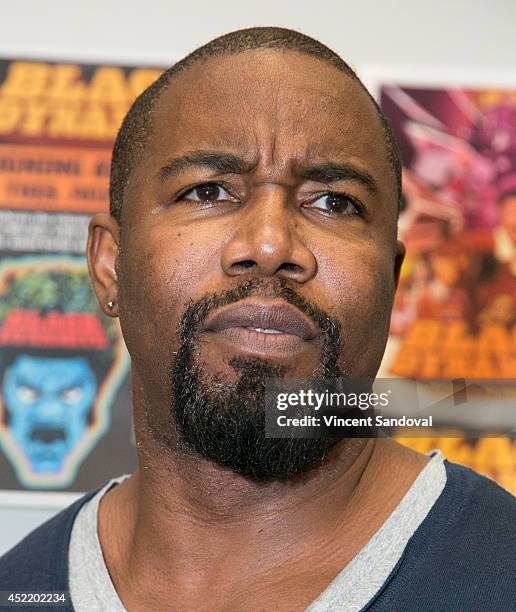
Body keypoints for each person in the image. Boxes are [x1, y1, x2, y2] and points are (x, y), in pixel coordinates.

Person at [1, 27, 515, 612]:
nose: (271, 245)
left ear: (391, 280)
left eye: (334, 202)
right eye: (208, 190)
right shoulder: (21, 589)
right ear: (111, 266)